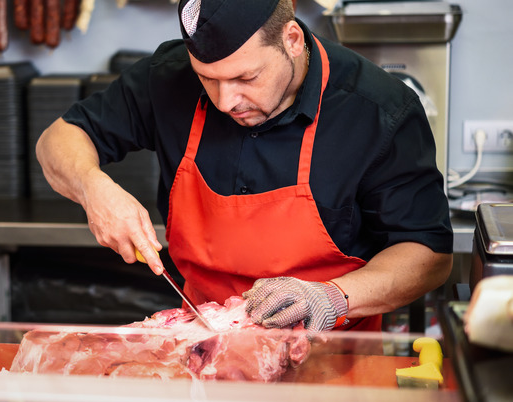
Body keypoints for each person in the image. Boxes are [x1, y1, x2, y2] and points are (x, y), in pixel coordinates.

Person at [35, 0, 453, 333]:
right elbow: (58, 140)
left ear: (291, 39)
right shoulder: (169, 78)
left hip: (333, 360)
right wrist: (93, 188)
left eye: (246, 78)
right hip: (205, 349)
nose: (225, 101)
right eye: (208, 80)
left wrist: (330, 297)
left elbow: (429, 254)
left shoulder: (378, 110)